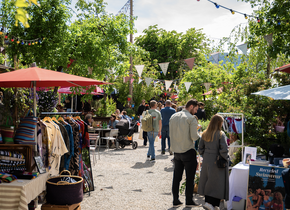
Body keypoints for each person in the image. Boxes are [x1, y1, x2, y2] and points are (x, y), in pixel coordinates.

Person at [169, 99, 200, 208]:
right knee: (190, 177)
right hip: (187, 150)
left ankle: (175, 199)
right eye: (195, 109)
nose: (196, 112)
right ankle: (189, 200)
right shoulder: (191, 118)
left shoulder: (173, 116)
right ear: (191, 106)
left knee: (176, 177)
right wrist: (199, 135)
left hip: (176, 151)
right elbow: (194, 137)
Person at [197, 114, 229, 210]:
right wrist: (227, 159)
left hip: (207, 159)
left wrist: (206, 155)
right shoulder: (220, 134)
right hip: (217, 160)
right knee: (217, 183)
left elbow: (200, 149)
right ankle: (212, 203)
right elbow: (223, 150)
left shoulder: (205, 133)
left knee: (208, 181)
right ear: (219, 123)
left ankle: (209, 203)